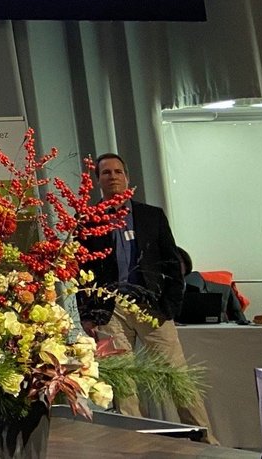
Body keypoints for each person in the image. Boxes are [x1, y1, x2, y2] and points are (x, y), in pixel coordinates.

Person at [80, 154, 217, 444]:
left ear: (127, 177)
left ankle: (205, 440)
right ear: (98, 180)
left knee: (177, 376)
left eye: (118, 171)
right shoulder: (87, 220)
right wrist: (87, 315)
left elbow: (172, 263)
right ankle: (136, 444)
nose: (113, 177)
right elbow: (81, 270)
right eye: (106, 173)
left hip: (151, 307)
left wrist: (170, 307)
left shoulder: (151, 215)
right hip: (109, 310)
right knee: (123, 383)